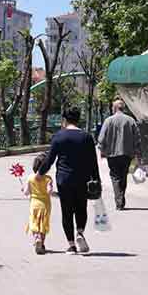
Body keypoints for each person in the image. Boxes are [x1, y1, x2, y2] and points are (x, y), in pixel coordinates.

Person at [39, 106, 101, 255]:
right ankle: (80, 232)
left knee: (66, 212)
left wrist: (40, 173)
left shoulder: (59, 136)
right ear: (78, 119)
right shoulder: (86, 137)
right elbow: (93, 161)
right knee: (81, 208)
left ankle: (71, 245)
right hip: (82, 179)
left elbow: (50, 159)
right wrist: (96, 180)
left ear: (65, 120)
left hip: (64, 179)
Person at [97, 99, 141, 211]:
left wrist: (102, 150)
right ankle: (120, 199)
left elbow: (101, 138)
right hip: (127, 154)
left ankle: (119, 201)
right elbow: (137, 138)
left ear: (115, 108)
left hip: (112, 154)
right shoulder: (131, 120)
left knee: (115, 176)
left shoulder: (108, 120)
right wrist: (137, 152)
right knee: (123, 176)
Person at [23, 153, 53, 255]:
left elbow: (26, 192)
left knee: (34, 222)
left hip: (34, 204)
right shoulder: (48, 178)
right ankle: (42, 243)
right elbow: (49, 191)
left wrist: (24, 190)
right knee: (43, 224)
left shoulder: (30, 178)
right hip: (45, 204)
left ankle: (37, 238)